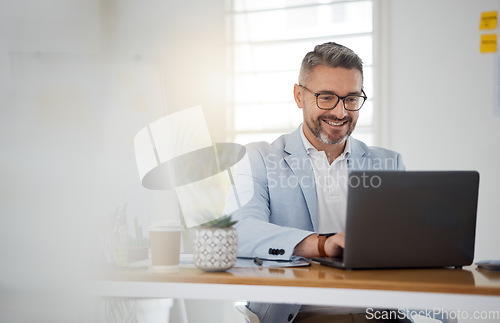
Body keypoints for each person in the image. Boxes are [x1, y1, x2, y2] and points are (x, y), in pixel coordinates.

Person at [225, 42, 406, 323]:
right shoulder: (259, 158)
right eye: (326, 97)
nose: (340, 112)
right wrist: (321, 245)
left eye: (351, 99)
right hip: (299, 316)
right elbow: (239, 231)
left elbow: (408, 247)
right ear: (299, 96)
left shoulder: (388, 163)